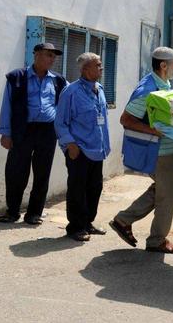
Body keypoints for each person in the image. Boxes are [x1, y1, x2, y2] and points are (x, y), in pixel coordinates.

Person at [110, 47, 173, 254]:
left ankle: (123, 220)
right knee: (168, 195)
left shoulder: (164, 84)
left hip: (165, 150)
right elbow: (126, 119)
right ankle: (156, 240)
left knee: (160, 190)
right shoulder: (148, 90)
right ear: (163, 65)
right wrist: (154, 131)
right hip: (157, 152)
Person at [0, 43, 67, 225]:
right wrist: (6, 132)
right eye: (48, 55)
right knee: (16, 172)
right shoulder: (17, 77)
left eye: (53, 56)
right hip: (22, 130)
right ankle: (12, 212)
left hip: (48, 131)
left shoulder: (58, 80)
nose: (52, 59)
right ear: (36, 55)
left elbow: (66, 103)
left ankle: (34, 213)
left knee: (42, 173)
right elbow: (7, 106)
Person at [54, 53, 110, 242]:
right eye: (98, 65)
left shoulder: (99, 89)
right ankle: (75, 227)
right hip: (79, 149)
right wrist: (70, 144)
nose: (101, 68)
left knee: (95, 187)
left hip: (97, 149)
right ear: (85, 69)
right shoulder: (71, 92)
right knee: (77, 188)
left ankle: (87, 223)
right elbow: (60, 122)